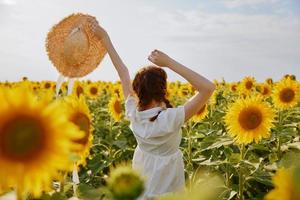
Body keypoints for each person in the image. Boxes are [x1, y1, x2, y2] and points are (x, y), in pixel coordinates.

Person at [91, 22, 216, 199]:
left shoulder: (133, 113)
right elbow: (207, 88)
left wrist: (105, 39)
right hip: (169, 193)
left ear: (138, 90)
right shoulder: (171, 119)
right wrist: (169, 63)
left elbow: (123, 73)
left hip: (141, 192)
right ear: (163, 90)